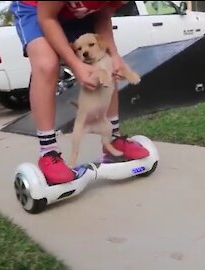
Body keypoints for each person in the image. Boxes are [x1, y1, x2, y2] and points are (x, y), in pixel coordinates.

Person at [9, 1, 150, 185]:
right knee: (46, 64)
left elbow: (103, 16)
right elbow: (47, 18)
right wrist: (76, 65)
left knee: (106, 61)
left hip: (72, 15)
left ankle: (113, 138)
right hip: (37, 10)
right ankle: (48, 151)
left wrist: (114, 56)